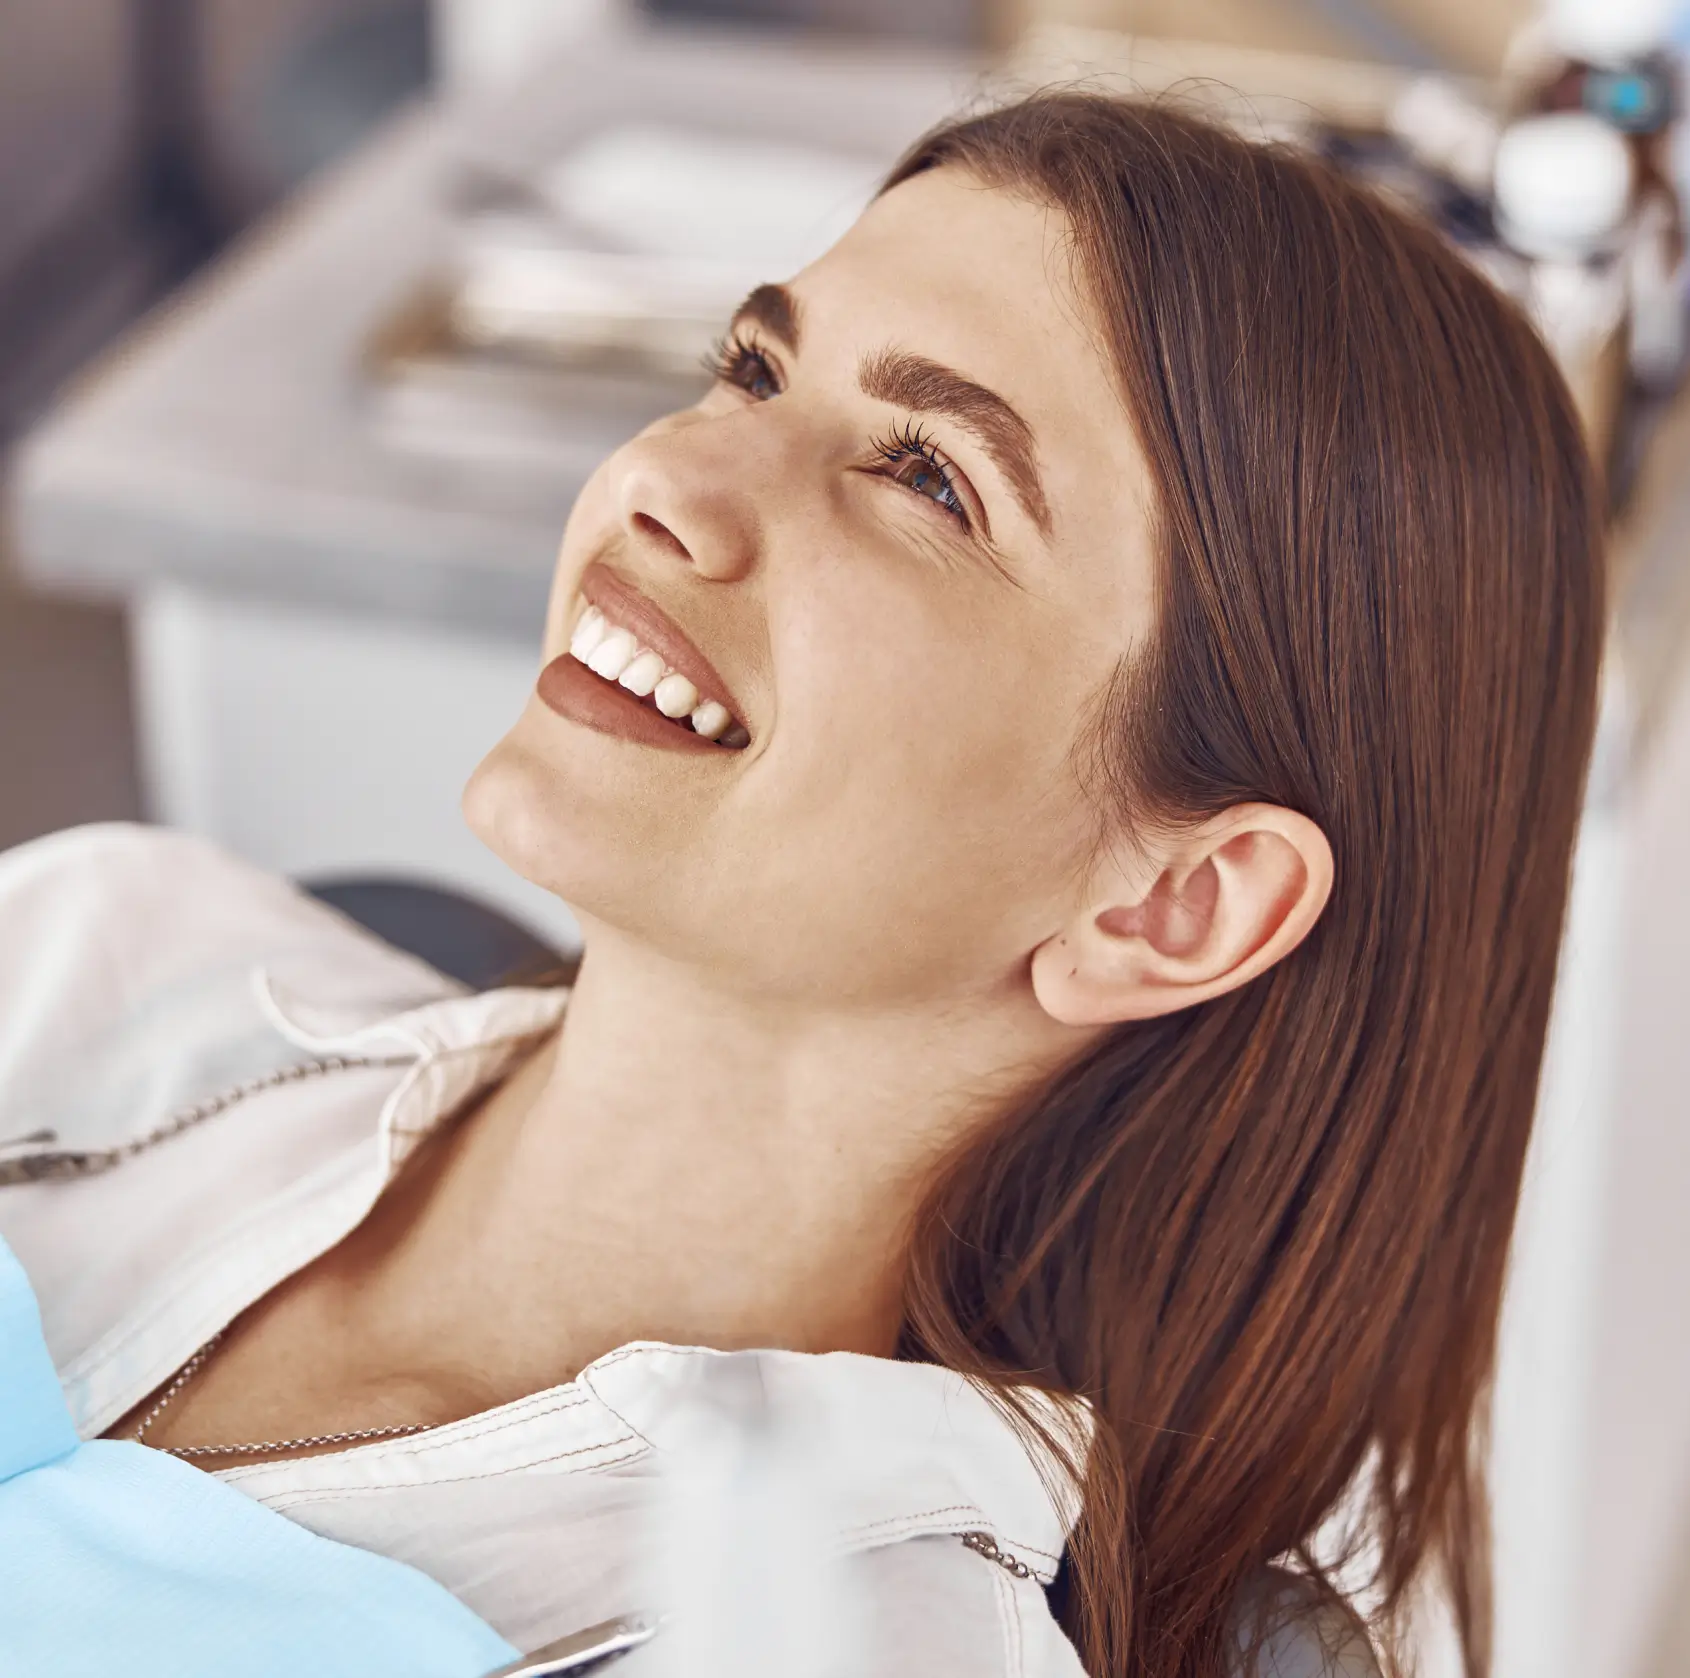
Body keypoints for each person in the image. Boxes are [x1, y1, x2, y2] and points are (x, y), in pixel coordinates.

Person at [0, 92, 1603, 1678]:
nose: (666, 487)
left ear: (1169, 904)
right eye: (751, 368)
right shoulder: (103, 953)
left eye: (926, 476)